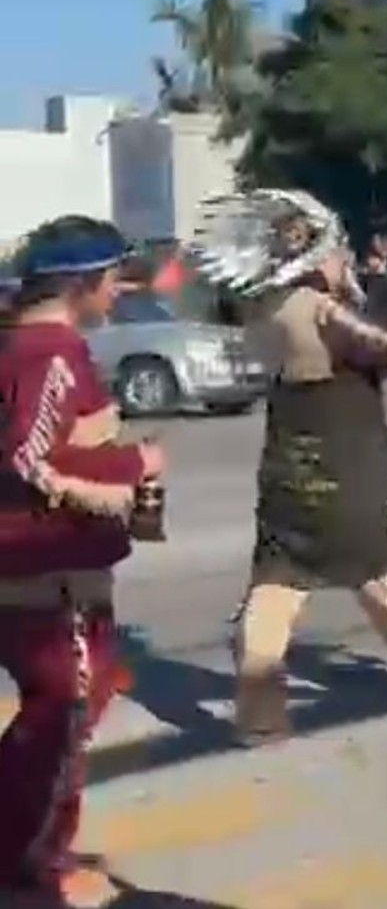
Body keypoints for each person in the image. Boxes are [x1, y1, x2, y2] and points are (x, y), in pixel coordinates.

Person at [186, 190, 387, 744]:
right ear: (314, 257)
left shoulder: (263, 307)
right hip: (344, 466)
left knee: (275, 588)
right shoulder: (318, 308)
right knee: (378, 576)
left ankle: (259, 718)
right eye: (339, 254)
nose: (347, 264)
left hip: (287, 466)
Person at [0, 217, 164, 909]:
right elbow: (25, 457)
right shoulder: (54, 350)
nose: (121, 292)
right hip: (51, 575)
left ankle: (24, 845)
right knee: (62, 718)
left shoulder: (21, 345)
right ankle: (33, 861)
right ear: (82, 284)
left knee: (60, 713)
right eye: (114, 279)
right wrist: (132, 463)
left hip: (36, 571)